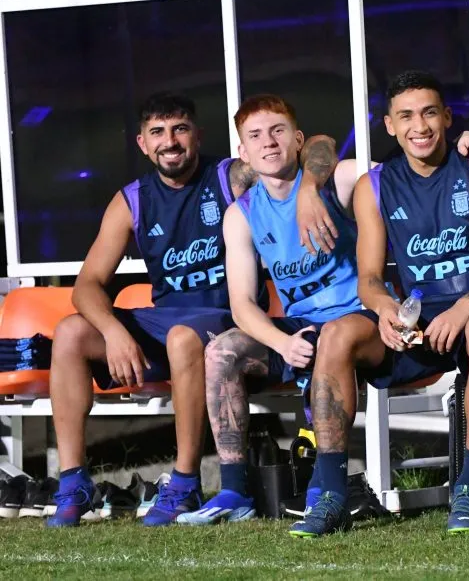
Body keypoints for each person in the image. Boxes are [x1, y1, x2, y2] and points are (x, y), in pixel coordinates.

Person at [46, 92, 321, 527]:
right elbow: (87, 286)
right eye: (157, 132)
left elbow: (312, 150)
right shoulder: (132, 200)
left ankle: (186, 480)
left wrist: (307, 188)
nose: (169, 141)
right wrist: (114, 331)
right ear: (142, 143)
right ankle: (73, 479)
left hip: (227, 322)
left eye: (180, 129)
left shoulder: (229, 177)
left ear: (198, 135)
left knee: (181, 337)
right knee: (70, 332)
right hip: (165, 325)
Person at [287, 70, 469, 538]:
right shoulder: (374, 186)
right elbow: (369, 278)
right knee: (337, 335)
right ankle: (333, 495)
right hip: (420, 315)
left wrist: (465, 306)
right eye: (406, 116)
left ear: (446, 117)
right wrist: (384, 309)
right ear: (389, 125)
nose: (419, 126)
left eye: (428, 113)